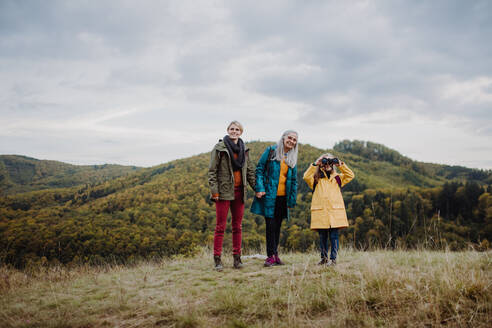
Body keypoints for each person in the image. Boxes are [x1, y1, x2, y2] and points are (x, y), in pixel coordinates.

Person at [208, 121, 256, 271]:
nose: (234, 131)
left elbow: (249, 172)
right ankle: (217, 260)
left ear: (241, 132)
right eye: (232, 129)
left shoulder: (244, 150)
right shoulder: (219, 149)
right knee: (220, 227)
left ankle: (237, 259)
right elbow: (212, 171)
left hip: (239, 192)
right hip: (223, 192)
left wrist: (258, 189)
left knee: (237, 227)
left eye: (237, 129)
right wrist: (214, 191)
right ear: (228, 130)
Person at [251, 130, 298, 267]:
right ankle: (270, 256)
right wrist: (259, 188)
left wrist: (291, 200)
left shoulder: (292, 157)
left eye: (294, 140)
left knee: (277, 227)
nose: (291, 141)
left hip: (283, 198)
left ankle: (275, 255)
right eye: (290, 138)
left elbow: (294, 180)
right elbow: (259, 169)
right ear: (283, 138)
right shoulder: (271, 151)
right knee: (270, 226)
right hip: (270, 196)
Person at [303, 153, 354, 266]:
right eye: (325, 162)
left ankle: (333, 259)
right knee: (323, 237)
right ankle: (324, 258)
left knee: (334, 236)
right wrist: (316, 163)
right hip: (321, 212)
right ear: (321, 165)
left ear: (333, 164)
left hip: (334, 212)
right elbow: (306, 176)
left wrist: (340, 164)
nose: (327, 165)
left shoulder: (338, 178)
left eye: (330, 162)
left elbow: (350, 175)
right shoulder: (316, 180)